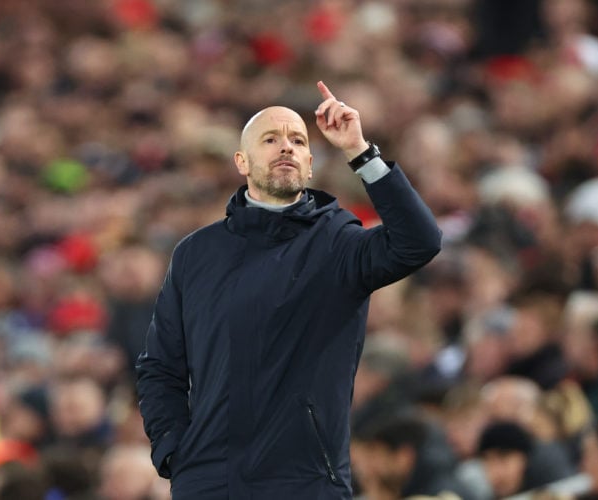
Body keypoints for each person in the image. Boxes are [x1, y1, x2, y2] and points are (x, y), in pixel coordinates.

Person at [135, 81, 442, 500]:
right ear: (242, 161)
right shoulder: (196, 254)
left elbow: (419, 241)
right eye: (271, 139)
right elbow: (160, 366)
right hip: (210, 482)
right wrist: (174, 453)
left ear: (310, 164)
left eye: (298, 140)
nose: (286, 147)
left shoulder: (338, 242)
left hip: (307, 480)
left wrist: (360, 152)